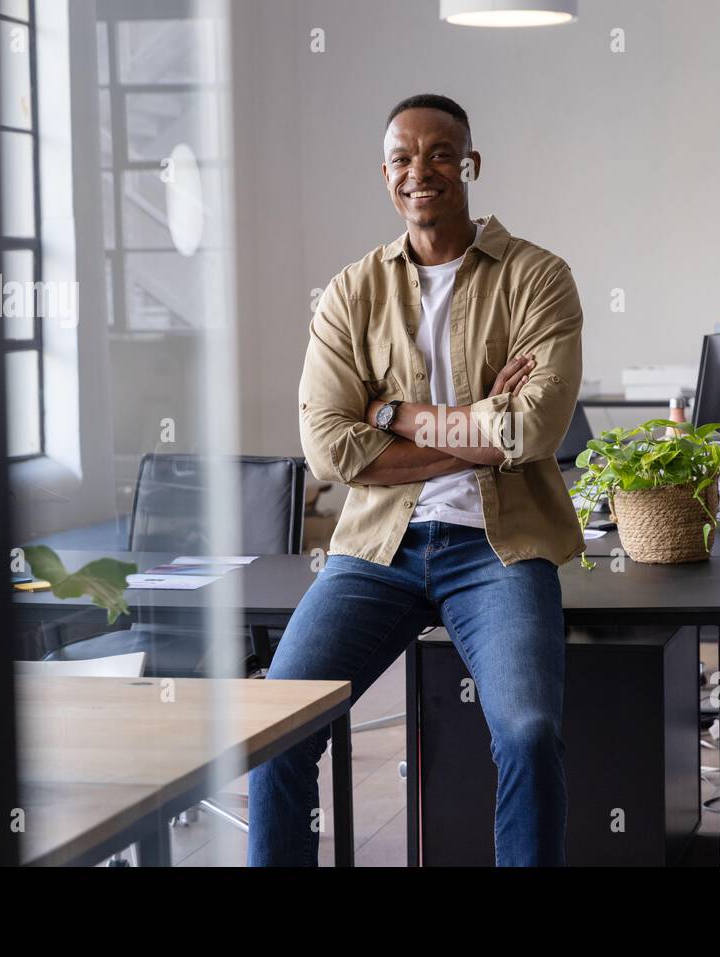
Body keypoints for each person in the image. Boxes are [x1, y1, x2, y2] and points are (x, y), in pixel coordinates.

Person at [247, 93, 584, 866]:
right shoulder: (351, 292)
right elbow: (330, 446)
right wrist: (479, 425)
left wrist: (392, 412)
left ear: (471, 163)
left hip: (499, 550)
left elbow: (534, 430)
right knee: (275, 724)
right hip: (376, 549)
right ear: (386, 174)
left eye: (439, 153)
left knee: (530, 733)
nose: (420, 170)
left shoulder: (537, 277)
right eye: (403, 157)